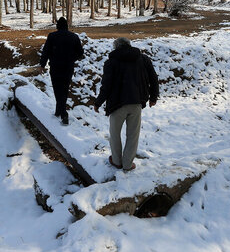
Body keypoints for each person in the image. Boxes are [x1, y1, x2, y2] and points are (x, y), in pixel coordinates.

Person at [94, 37, 159, 172]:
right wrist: (153, 97)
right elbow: (153, 78)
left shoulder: (111, 62)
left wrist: (98, 102)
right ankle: (128, 164)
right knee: (133, 134)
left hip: (117, 104)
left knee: (115, 133)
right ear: (129, 45)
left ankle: (117, 161)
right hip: (136, 102)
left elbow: (106, 85)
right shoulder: (143, 59)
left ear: (116, 47)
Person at [40, 17, 83, 125]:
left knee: (57, 88)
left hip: (55, 67)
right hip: (68, 67)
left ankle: (63, 113)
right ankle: (59, 111)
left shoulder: (52, 36)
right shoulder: (74, 37)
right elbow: (80, 53)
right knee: (64, 89)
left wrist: (42, 65)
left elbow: (46, 51)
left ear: (58, 26)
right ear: (67, 26)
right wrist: (72, 58)